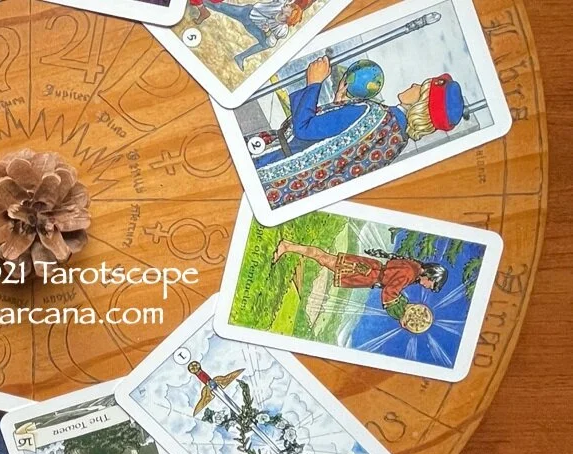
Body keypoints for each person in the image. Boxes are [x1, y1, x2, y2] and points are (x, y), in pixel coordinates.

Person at [253, 56, 467, 208]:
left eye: (421, 87)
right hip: (285, 191)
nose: (414, 84)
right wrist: (338, 107)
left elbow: (303, 129)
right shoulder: (395, 143)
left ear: (421, 104)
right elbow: (341, 156)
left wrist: (314, 83)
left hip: (269, 160)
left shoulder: (371, 112)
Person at [272, 239, 448, 325]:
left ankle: (288, 246)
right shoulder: (410, 273)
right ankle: (287, 246)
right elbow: (390, 293)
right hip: (365, 272)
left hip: (368, 271)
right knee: (324, 259)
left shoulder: (414, 269)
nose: (427, 287)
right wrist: (400, 315)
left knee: (325, 259)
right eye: (430, 284)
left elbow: (393, 289)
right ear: (430, 275)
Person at [189, 0, 311, 69]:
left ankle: (240, 57)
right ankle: (201, 4)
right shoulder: (280, 4)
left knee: (266, 44)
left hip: (254, 27)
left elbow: (271, 42)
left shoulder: (282, 29)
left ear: (288, 15)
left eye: (290, 7)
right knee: (220, 7)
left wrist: (267, 32)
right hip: (247, 13)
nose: (288, 4)